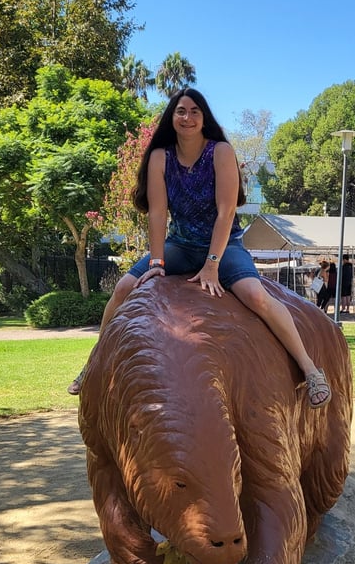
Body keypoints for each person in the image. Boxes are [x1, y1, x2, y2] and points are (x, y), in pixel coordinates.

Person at [67, 88, 331, 408]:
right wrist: (156, 263)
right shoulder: (160, 158)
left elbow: (226, 211)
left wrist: (212, 264)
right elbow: (158, 213)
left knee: (256, 295)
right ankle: (93, 363)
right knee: (123, 288)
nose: (187, 117)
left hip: (224, 245)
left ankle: (309, 367)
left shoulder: (220, 152)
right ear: (172, 117)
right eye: (181, 111)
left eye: (194, 111)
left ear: (203, 117)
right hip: (179, 244)